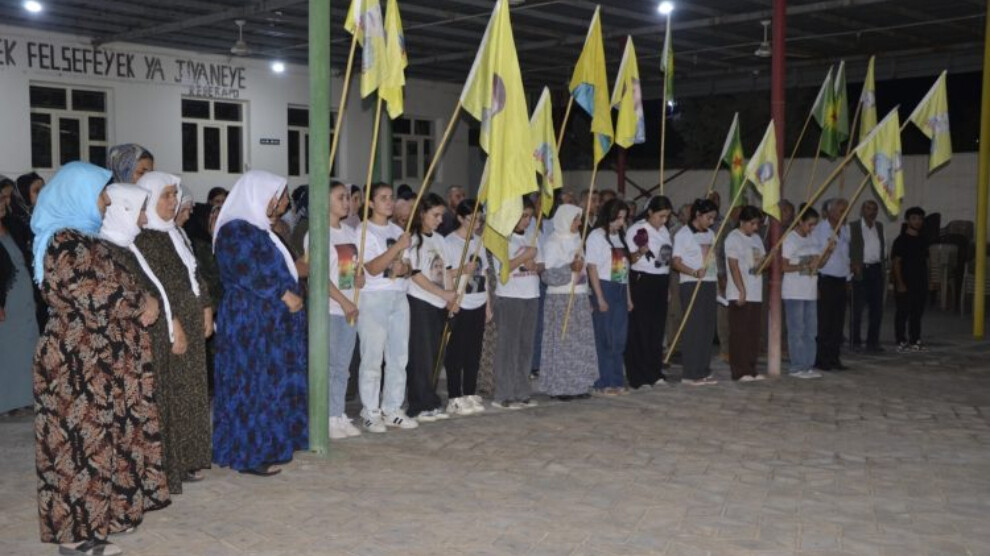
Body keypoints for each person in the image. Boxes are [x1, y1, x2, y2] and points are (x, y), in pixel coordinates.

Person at [31, 162, 168, 555]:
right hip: (75, 364)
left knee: (103, 445)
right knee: (76, 449)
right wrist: (140, 302)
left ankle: (103, 520)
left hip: (97, 361)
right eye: (101, 194)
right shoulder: (63, 242)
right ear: (76, 194)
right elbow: (93, 293)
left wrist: (143, 299)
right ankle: (74, 537)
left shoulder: (84, 239)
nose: (107, 202)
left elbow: (115, 284)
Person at [212, 170, 309, 475]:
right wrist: (283, 294)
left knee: (271, 386)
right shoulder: (234, 230)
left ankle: (273, 445)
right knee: (252, 386)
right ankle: (250, 453)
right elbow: (246, 271)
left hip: (270, 323)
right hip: (250, 323)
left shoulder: (260, 229)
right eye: (277, 195)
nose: (282, 202)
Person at [134, 172, 213, 487]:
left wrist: (206, 307)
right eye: (166, 195)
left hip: (191, 322)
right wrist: (173, 324)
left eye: (174, 195)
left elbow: (194, 274)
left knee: (191, 392)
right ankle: (170, 463)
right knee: (172, 393)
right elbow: (156, 287)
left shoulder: (176, 233)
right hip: (168, 327)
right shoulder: (144, 239)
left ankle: (188, 458)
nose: (173, 201)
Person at [356, 183, 419, 432]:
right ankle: (370, 409)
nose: (389, 202)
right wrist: (397, 248)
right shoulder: (364, 230)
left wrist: (402, 268)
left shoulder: (397, 230)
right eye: (383, 198)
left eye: (391, 197)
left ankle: (392, 407)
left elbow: (409, 267)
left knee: (399, 356)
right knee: (373, 357)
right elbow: (371, 268)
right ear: (370, 203)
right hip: (374, 298)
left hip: (399, 296)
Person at [313, 181, 363, 439]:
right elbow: (319, 275)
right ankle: (328, 417)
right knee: (331, 365)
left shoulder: (350, 232)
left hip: (350, 307)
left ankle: (338, 412)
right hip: (331, 308)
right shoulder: (318, 233)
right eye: (340, 197)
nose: (346, 202)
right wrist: (343, 302)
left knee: (343, 366)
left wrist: (358, 278)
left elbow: (349, 270)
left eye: (347, 197)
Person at [404, 193, 457, 422]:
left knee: (436, 354)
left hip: (438, 303)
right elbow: (415, 275)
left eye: (442, 216)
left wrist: (451, 297)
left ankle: (431, 400)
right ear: (422, 213)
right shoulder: (413, 240)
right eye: (435, 215)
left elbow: (447, 270)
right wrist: (441, 293)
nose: (440, 220)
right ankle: (418, 404)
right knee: (421, 355)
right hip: (420, 302)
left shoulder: (440, 240)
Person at [539, 204, 598, 400]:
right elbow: (547, 275)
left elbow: (584, 271)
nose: (579, 223)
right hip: (561, 299)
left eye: (579, 219)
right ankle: (560, 387)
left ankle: (578, 385)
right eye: (576, 220)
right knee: (563, 343)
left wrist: (587, 294)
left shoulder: (578, 239)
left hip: (579, 296)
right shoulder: (553, 243)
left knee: (579, 343)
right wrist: (569, 268)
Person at [491, 196, 543, 409]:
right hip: (510, 296)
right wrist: (523, 259)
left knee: (525, 346)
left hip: (531, 294)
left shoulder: (533, 236)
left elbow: (541, 264)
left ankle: (522, 391)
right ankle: (503, 394)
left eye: (529, 216)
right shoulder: (503, 238)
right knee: (508, 347)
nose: (527, 221)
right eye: (523, 216)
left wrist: (535, 266)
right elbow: (502, 270)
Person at [443, 199, 489, 415]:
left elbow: (484, 273)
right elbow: (444, 273)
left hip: (478, 300)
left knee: (474, 351)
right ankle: (454, 396)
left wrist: (488, 304)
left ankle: (470, 392)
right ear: (461, 218)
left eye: (479, 219)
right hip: (460, 303)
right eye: (472, 219)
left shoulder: (478, 242)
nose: (476, 224)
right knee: (456, 352)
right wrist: (462, 269)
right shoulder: (449, 242)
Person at [624, 195, 674, 389]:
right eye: (661, 216)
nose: (664, 220)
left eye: (667, 216)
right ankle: (639, 376)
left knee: (656, 329)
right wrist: (641, 251)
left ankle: (654, 372)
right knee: (641, 329)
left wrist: (667, 287)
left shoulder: (664, 231)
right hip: (642, 280)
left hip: (660, 280)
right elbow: (630, 259)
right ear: (650, 212)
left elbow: (666, 260)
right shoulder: (637, 229)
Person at [584, 199, 632, 395]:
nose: (621, 222)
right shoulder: (596, 236)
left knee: (619, 338)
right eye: (618, 218)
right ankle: (603, 382)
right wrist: (600, 297)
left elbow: (625, 270)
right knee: (605, 337)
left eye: (624, 218)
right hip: (604, 287)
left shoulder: (620, 237)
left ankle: (616, 379)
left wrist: (628, 297)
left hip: (620, 287)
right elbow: (592, 268)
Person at [672, 198, 720, 386]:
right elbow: (676, 262)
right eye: (708, 217)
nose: (711, 221)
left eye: (713, 218)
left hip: (710, 282)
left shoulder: (711, 234)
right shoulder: (683, 234)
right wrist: (693, 272)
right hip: (692, 283)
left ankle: (703, 369)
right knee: (694, 328)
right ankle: (690, 373)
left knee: (707, 328)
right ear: (698, 215)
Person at [782, 207, 833, 379]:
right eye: (809, 224)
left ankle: (808, 365)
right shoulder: (790, 239)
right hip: (794, 292)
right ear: (800, 221)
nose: (812, 228)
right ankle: (797, 367)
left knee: (811, 332)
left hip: (810, 291)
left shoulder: (812, 238)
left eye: (814, 225)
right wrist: (803, 266)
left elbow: (819, 264)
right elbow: (783, 266)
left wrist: (828, 252)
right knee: (797, 331)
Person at [0, 178, 38, 413]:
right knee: (7, 350)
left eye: (5, 198)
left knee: (26, 347)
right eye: (0, 199)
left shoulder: (12, 225)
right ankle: (7, 402)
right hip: (6, 300)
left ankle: (26, 398)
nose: (5, 203)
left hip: (23, 296)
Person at [725, 206, 768, 382]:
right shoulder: (733, 238)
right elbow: (733, 266)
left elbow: (760, 265)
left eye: (757, 224)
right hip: (739, 292)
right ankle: (740, 371)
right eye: (752, 223)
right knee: (739, 333)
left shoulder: (757, 239)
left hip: (756, 291)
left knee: (753, 333)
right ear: (742, 221)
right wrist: (741, 290)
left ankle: (751, 368)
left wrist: (769, 259)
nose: (755, 227)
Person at [813, 198, 852, 371]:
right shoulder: (820, 230)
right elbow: (816, 256)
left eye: (846, 211)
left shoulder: (845, 229)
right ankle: (822, 359)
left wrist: (848, 279)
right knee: (824, 322)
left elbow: (845, 257)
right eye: (841, 211)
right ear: (830, 212)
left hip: (841, 279)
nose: (844, 214)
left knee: (838, 322)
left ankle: (834, 358)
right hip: (826, 279)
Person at [849, 200, 886, 352]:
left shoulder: (879, 226)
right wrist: (852, 264)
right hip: (861, 270)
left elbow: (882, 248)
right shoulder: (853, 227)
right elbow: (846, 247)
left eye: (874, 209)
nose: (872, 212)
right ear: (862, 210)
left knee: (877, 309)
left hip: (876, 270)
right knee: (857, 309)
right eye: (868, 208)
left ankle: (873, 342)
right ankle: (855, 341)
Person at [892, 206, 929, 352]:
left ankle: (915, 339)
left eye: (920, 219)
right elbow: (896, 262)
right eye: (914, 218)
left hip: (920, 282)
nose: (917, 221)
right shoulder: (901, 240)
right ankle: (900, 340)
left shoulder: (923, 240)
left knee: (917, 312)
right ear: (908, 221)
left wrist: (931, 280)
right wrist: (900, 283)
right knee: (903, 312)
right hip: (905, 282)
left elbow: (926, 261)